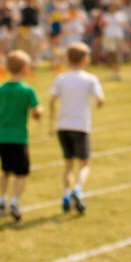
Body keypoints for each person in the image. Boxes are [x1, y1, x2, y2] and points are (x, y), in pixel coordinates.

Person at [48, 42, 105, 214]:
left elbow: (52, 101)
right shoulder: (90, 79)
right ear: (86, 59)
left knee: (68, 164)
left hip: (62, 126)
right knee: (85, 163)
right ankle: (78, 190)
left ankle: (66, 194)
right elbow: (100, 99)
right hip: (80, 126)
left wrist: (52, 122)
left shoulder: (61, 78)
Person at [0, 49, 41, 222]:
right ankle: (15, 200)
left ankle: (2, 199)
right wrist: (39, 113)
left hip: (1, 136)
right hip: (18, 137)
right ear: (26, 68)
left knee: (5, 170)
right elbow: (36, 110)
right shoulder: (27, 91)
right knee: (22, 172)